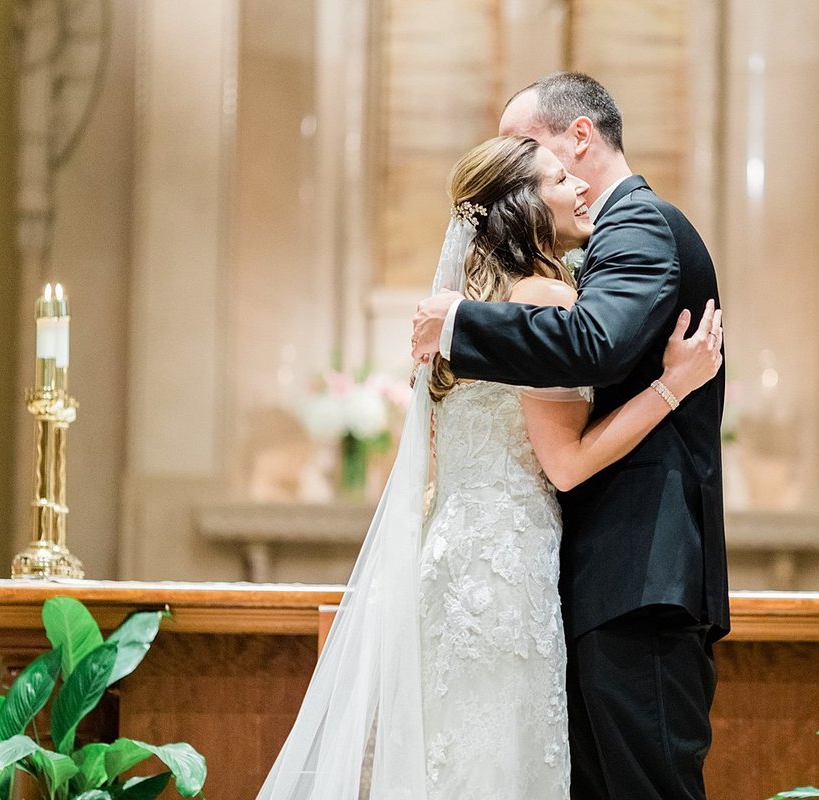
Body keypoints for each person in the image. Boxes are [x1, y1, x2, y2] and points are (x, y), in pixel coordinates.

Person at [258, 134, 721, 800]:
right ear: (529, 205)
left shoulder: (460, 322)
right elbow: (566, 465)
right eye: (561, 180)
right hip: (508, 569)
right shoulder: (546, 301)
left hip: (450, 556)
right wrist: (673, 388)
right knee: (502, 761)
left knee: (454, 759)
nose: (579, 188)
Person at [411, 73, 728, 800]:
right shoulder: (560, 271)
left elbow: (594, 341)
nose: (523, 168)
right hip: (577, 578)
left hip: (638, 574)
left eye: (532, 149)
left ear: (578, 137)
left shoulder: (639, 223)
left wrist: (460, 322)